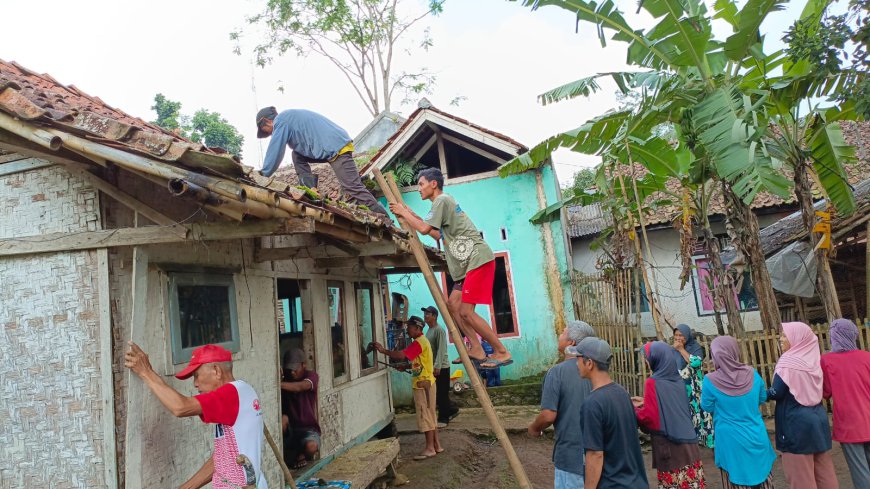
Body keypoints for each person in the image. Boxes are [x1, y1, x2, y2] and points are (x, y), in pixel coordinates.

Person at [389, 168, 511, 370]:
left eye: (421, 184)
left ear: (433, 184)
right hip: (466, 267)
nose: (419, 189)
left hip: (477, 259)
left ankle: (501, 351)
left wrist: (403, 212)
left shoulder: (442, 200)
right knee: (453, 304)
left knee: (467, 312)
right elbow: (437, 234)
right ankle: (476, 348)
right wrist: (410, 213)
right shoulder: (442, 206)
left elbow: (424, 229)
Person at [124, 342, 267, 489]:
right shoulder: (242, 391)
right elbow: (223, 458)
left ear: (216, 370)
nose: (195, 384)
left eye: (196, 376)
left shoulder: (231, 394)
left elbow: (180, 407)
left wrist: (146, 372)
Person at [255, 107, 388, 216]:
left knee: (352, 187)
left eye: (268, 132)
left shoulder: (281, 121)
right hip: (328, 148)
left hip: (337, 148)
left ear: (267, 121)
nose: (272, 134)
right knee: (297, 155)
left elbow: (276, 149)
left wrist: (263, 174)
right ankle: (311, 188)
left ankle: (385, 219)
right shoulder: (289, 118)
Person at [568, 337, 647, 489]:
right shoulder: (622, 393)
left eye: (578, 359)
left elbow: (595, 454)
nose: (576, 363)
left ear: (589, 363)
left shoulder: (592, 404)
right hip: (636, 482)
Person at [768, 322, 838, 489]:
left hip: (795, 425)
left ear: (796, 339)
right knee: (824, 472)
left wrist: (757, 393)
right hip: (818, 420)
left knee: (801, 478)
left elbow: (776, 392)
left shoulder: (788, 362)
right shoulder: (813, 360)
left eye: (785, 335)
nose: (780, 338)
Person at [528, 320, 596, 489]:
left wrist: (535, 428)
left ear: (571, 343)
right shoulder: (596, 370)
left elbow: (548, 415)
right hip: (599, 454)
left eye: (563, 332)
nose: (559, 335)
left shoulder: (556, 373)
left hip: (571, 456)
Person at [701, 336, 776, 488]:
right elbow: (761, 398)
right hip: (756, 435)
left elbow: (706, 406)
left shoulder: (710, 380)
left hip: (730, 442)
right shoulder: (752, 374)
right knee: (764, 482)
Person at [633, 341, 707, 489]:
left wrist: (632, 409)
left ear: (656, 359)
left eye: (648, 359)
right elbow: (671, 406)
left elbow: (650, 419)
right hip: (690, 447)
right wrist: (647, 402)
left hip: (672, 449)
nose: (647, 362)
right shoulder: (678, 380)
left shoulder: (652, 383)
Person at [373, 316, 442, 459]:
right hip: (428, 382)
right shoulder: (422, 342)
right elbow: (417, 362)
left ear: (417, 329)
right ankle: (436, 445)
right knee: (430, 415)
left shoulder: (418, 342)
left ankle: (430, 448)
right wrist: (406, 366)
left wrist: (382, 350)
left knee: (425, 415)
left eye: (409, 327)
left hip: (422, 384)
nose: (407, 330)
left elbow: (400, 355)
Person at [821, 318, 870, 488]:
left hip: (849, 424)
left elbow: (825, 392)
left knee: (860, 472)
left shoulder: (826, 361)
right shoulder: (867, 357)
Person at [673, 324, 714, 448]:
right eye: (676, 335)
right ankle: (692, 444)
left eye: (681, 335)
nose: (678, 338)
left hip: (696, 389)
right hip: (681, 389)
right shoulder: (671, 350)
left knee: (703, 416)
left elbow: (696, 363)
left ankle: (711, 444)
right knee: (688, 416)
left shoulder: (695, 347)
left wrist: (681, 350)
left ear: (687, 335)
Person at [280, 348, 320, 470]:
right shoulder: (285, 378)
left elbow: (301, 387)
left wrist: (278, 384)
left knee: (311, 446)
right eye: (289, 369)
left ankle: (301, 455)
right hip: (291, 429)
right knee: (283, 419)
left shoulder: (311, 376)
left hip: (308, 429)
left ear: (303, 365)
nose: (292, 372)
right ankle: (283, 455)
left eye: (295, 369)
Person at [422, 306, 459, 426]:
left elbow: (441, 349)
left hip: (441, 367)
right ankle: (452, 409)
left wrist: (437, 366)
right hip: (433, 366)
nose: (425, 316)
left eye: (428, 313)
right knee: (438, 393)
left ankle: (444, 418)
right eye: (425, 314)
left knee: (441, 393)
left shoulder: (439, 330)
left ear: (434, 316)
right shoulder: (429, 330)